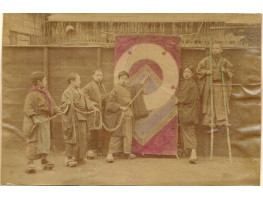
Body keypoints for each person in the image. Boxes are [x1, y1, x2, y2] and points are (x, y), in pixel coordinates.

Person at [196, 43, 234, 156]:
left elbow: (231, 69)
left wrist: (225, 71)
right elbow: (199, 69)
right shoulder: (206, 60)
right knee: (209, 105)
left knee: (221, 104)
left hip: (221, 86)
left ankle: (221, 120)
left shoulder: (225, 61)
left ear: (221, 50)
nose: (215, 50)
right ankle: (209, 120)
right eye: (213, 48)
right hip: (210, 86)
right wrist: (206, 72)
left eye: (217, 48)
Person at [23, 71, 60, 174]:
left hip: (45, 120)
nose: (46, 82)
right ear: (39, 82)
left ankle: (44, 160)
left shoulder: (46, 93)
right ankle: (30, 163)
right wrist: (34, 118)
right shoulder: (31, 94)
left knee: (45, 140)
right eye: (45, 80)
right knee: (33, 141)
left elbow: (52, 104)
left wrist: (57, 110)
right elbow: (28, 108)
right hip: (36, 121)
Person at [61, 73, 97, 167]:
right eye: (78, 80)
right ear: (72, 82)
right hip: (73, 118)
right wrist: (68, 104)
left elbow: (86, 102)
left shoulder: (80, 91)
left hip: (82, 117)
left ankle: (79, 157)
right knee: (73, 137)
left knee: (82, 138)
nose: (80, 82)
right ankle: (68, 158)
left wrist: (92, 106)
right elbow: (63, 105)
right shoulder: (67, 92)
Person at [104, 71, 137, 163]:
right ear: (118, 79)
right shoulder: (115, 90)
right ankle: (110, 154)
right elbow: (110, 104)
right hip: (118, 115)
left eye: (126, 79)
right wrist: (120, 107)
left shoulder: (128, 90)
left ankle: (127, 152)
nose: (124, 81)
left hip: (127, 115)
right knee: (116, 134)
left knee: (128, 134)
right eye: (122, 79)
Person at [82, 68, 107, 159]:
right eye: (97, 75)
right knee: (91, 131)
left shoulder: (102, 86)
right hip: (92, 112)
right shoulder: (89, 86)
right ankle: (89, 151)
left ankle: (96, 149)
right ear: (93, 76)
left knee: (98, 131)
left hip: (100, 112)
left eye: (101, 75)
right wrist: (91, 104)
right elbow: (83, 94)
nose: (99, 77)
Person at [177, 66, 199, 164]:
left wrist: (178, 100)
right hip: (185, 111)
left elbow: (185, 99)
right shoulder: (186, 83)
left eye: (188, 72)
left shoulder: (192, 85)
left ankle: (193, 154)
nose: (186, 74)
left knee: (190, 131)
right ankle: (191, 153)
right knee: (188, 132)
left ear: (192, 74)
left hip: (189, 111)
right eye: (185, 72)